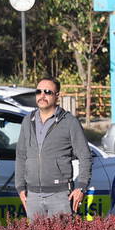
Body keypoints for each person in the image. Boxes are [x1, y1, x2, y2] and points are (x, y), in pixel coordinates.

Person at [15, 76, 92, 221]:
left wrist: (81, 187)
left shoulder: (69, 122)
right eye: (39, 91)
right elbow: (21, 155)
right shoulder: (27, 120)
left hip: (60, 196)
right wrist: (20, 187)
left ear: (57, 96)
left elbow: (85, 156)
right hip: (32, 197)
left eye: (47, 92)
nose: (42, 96)